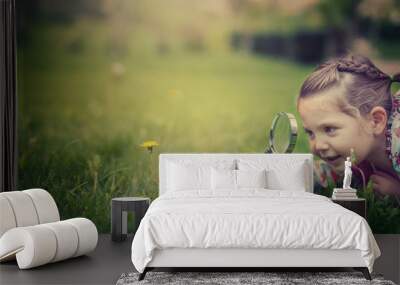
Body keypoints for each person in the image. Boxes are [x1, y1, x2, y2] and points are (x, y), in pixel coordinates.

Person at [297, 54, 400, 205]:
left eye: (329, 129)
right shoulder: (353, 153)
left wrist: (397, 192)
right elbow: (319, 175)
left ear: (375, 121)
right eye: (310, 133)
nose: (318, 146)